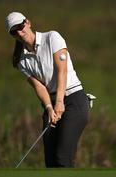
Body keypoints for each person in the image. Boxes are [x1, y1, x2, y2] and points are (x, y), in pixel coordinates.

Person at [5, 12, 89, 168]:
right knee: (50, 161)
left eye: (20, 26)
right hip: (50, 102)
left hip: (73, 99)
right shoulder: (20, 60)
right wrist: (50, 107)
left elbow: (61, 71)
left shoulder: (52, 38)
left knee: (63, 158)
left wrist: (59, 102)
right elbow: (39, 86)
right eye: (13, 31)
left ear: (28, 23)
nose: (19, 32)